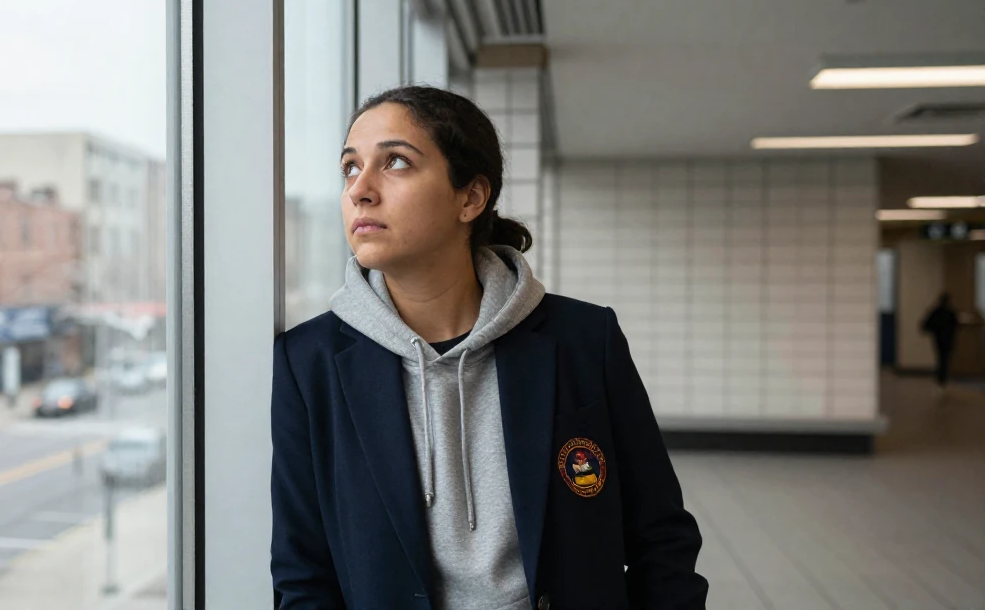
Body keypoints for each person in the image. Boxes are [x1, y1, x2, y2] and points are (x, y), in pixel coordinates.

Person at [270, 85, 707, 610]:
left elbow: (661, 538)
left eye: (396, 162)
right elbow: (303, 573)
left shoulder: (585, 340)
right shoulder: (309, 363)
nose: (360, 190)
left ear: (471, 198)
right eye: (350, 168)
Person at [922, 292, 959, 395]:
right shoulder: (950, 312)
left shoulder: (937, 311)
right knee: (944, 359)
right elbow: (955, 324)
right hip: (947, 339)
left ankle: (941, 378)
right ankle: (942, 378)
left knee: (941, 358)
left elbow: (926, 325)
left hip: (939, 339)